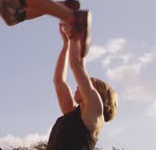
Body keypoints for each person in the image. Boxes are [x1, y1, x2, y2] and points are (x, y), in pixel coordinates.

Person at [47, 22, 118, 150]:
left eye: (85, 83)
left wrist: (74, 35)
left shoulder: (94, 112)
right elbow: (59, 81)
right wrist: (66, 44)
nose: (79, 85)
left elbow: (77, 65)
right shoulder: (74, 114)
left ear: (98, 94)